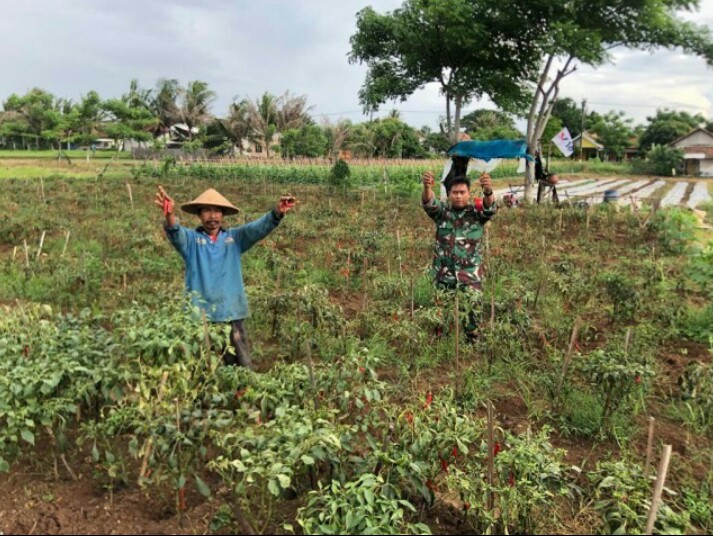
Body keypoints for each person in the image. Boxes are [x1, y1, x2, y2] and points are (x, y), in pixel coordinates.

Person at [155, 186, 296, 368]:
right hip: (200, 315)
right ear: (199, 214)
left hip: (230, 311)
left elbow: (257, 228)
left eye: (217, 211)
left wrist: (277, 212)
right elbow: (175, 231)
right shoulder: (191, 241)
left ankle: (241, 392)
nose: (212, 216)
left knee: (240, 361)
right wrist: (169, 215)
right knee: (202, 364)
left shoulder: (235, 238)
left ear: (222, 215)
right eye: (207, 211)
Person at [421, 170, 496, 339]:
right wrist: (427, 187)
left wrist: (488, 190)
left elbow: (489, 209)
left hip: (469, 275)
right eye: (454, 192)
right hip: (444, 274)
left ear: (469, 194)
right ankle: (441, 340)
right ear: (448, 195)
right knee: (441, 311)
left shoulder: (476, 215)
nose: (458, 196)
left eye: (462, 192)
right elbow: (428, 203)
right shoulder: (442, 213)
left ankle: (471, 338)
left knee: (471, 311)